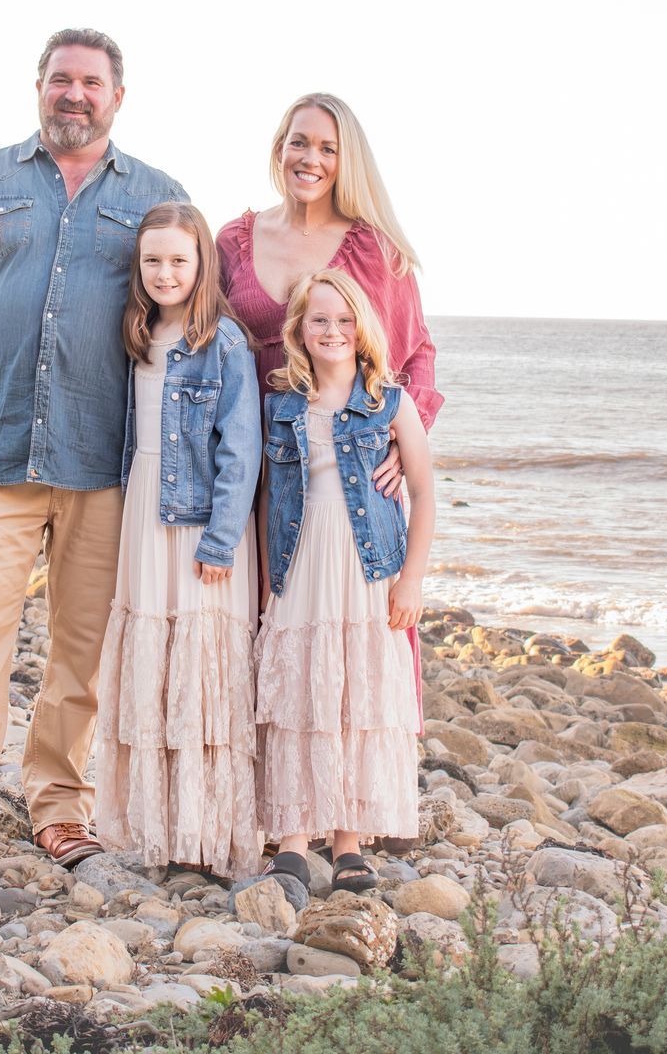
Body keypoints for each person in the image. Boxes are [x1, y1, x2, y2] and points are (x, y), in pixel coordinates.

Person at [0, 29, 189, 885]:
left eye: (91, 83)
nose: (75, 94)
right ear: (38, 88)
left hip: (108, 464)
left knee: (80, 649)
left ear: (117, 98)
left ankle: (59, 807)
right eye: (61, 79)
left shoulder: (159, 197)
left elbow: (192, 327)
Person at [93, 202, 263, 879]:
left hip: (197, 519)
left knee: (200, 664)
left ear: (202, 266)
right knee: (152, 660)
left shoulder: (223, 342)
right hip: (143, 506)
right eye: (153, 260)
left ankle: (206, 832)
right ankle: (152, 827)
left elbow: (241, 449)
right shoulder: (138, 332)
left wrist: (221, 540)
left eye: (179, 260)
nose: (166, 273)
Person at [254, 269, 434, 896]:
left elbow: (423, 492)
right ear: (299, 331)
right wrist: (262, 579)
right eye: (319, 320)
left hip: (366, 572)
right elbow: (264, 494)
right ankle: (295, 839)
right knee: (302, 694)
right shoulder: (279, 406)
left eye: (344, 321)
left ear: (361, 331)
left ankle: (350, 842)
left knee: (357, 698)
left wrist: (411, 580)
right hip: (301, 567)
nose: (331, 331)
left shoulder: (390, 403)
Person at [216, 93, 441, 433]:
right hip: (248, 455)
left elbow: (417, 353)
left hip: (344, 459)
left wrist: (404, 439)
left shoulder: (376, 249)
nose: (310, 159)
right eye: (299, 143)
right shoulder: (233, 241)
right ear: (280, 150)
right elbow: (203, 344)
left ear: (346, 161)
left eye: (328, 149)